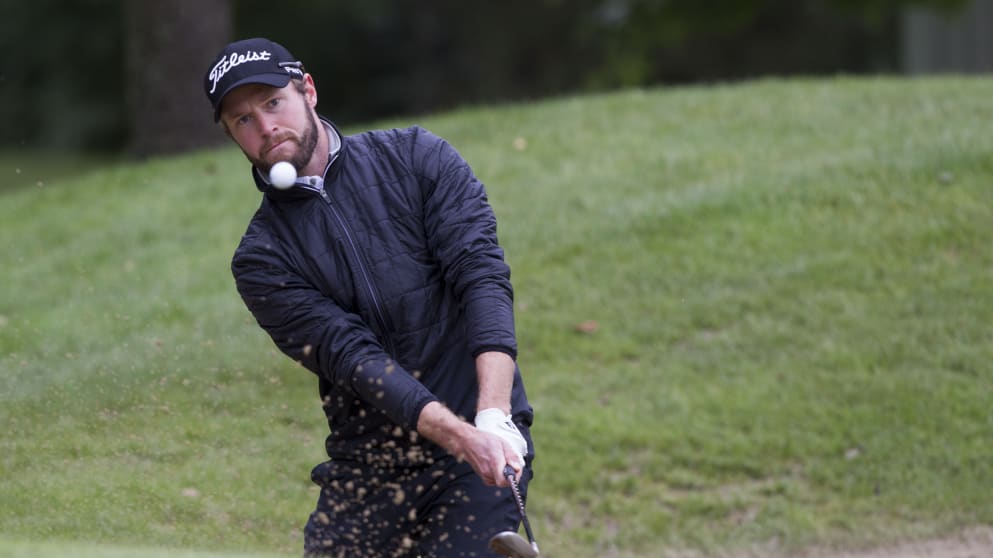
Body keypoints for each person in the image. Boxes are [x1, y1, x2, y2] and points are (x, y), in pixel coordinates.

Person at [202, 38, 535, 557]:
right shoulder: (261, 259)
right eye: (243, 121)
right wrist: (456, 433)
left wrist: (493, 418)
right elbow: (355, 359)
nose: (266, 128)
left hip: (479, 446)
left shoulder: (416, 158)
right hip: (370, 469)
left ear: (307, 90)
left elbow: (482, 277)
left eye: (272, 103)